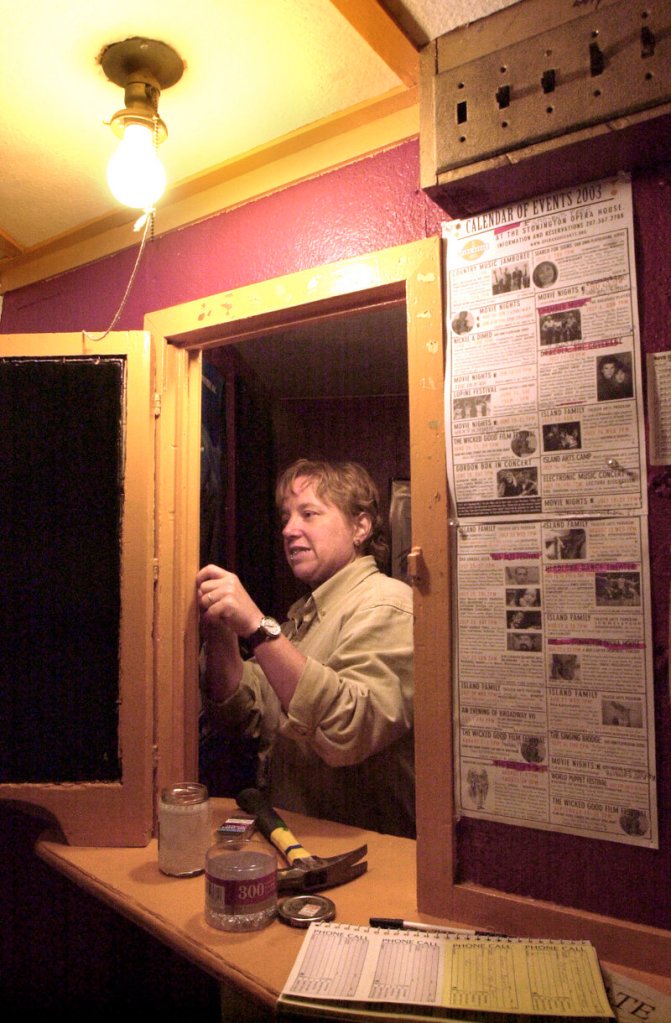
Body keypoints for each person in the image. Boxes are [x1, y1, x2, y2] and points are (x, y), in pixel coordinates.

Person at [196, 458, 415, 838]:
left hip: (369, 856)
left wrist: (256, 626)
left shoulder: (388, 604)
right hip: (299, 842)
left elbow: (348, 730)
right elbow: (244, 711)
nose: (289, 529)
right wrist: (220, 631)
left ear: (360, 526)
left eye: (309, 514)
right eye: (286, 517)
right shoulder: (307, 615)